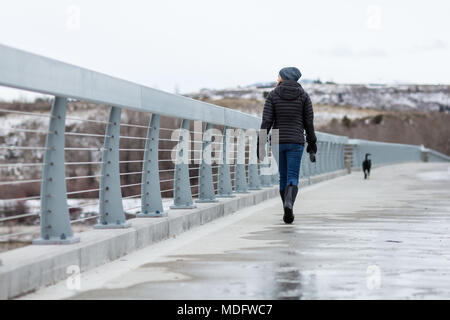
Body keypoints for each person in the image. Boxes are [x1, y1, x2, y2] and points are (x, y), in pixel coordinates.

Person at [258, 67, 317, 224]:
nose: (277, 77)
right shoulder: (304, 96)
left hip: (277, 140)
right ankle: (289, 204)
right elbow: (309, 123)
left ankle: (286, 206)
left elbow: (266, 122)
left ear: (284, 77)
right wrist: (312, 143)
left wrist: (261, 143)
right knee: (292, 176)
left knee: (282, 176)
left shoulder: (273, 95)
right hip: (296, 140)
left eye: (279, 75)